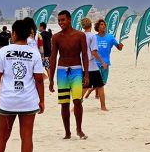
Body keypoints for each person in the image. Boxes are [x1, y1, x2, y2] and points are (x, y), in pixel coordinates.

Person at [0, 19, 45, 152]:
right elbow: (39, 79)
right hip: (28, 100)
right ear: (28, 35)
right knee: (26, 136)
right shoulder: (33, 53)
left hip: (7, 100)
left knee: (2, 136)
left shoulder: (3, 51)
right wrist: (42, 100)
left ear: (13, 34)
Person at [48, 10, 89, 140]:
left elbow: (85, 56)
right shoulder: (56, 37)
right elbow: (53, 58)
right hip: (62, 72)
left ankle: (79, 129)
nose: (61, 23)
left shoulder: (80, 35)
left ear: (69, 20)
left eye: (63, 20)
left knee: (77, 101)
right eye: (59, 20)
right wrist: (51, 79)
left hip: (76, 70)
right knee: (64, 103)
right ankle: (67, 132)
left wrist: (86, 74)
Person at [80, 17, 108, 111]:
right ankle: (103, 107)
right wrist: (102, 62)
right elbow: (94, 52)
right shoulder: (93, 36)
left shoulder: (80, 36)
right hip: (92, 66)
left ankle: (76, 106)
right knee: (100, 85)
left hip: (83, 65)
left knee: (85, 86)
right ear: (91, 25)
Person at [90, 19, 123, 95]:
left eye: (104, 24)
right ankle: (97, 94)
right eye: (101, 24)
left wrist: (120, 46)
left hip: (106, 62)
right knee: (98, 81)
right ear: (97, 27)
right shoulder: (94, 37)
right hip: (96, 63)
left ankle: (91, 90)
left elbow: (118, 48)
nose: (103, 26)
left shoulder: (110, 37)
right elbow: (91, 50)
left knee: (103, 81)